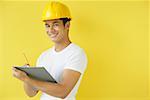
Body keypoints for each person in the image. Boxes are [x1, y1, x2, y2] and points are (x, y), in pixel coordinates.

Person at [12, 1, 87, 100]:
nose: (50, 30)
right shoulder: (44, 56)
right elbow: (31, 93)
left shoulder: (76, 53)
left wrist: (26, 78)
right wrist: (27, 77)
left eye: (55, 24)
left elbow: (63, 92)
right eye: (47, 25)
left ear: (67, 25)